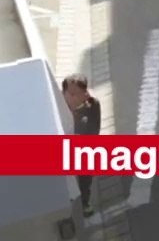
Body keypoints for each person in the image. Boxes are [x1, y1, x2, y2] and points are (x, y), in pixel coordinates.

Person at [62, 74, 101, 217]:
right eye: (70, 94)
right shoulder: (58, 108)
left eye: (76, 94)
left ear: (84, 94)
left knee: (85, 176)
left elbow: (94, 129)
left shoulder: (92, 105)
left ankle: (85, 201)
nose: (72, 98)